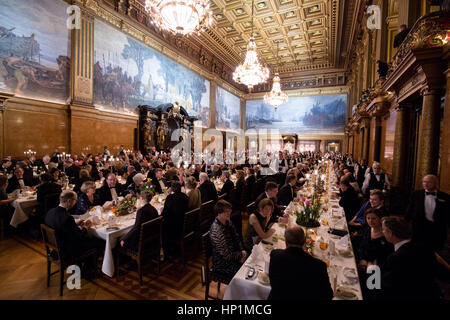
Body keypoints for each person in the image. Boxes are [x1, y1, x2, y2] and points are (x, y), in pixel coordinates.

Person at [378, 216, 441, 300]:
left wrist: (371, 269)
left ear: (390, 233)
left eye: (383, 230)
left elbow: (387, 285)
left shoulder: (396, 257)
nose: (382, 232)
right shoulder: (425, 248)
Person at [44, 191, 105, 273]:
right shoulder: (67, 217)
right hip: (67, 251)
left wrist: (75, 224)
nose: (76, 202)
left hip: (56, 248)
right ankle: (87, 270)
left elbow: (61, 226)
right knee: (98, 242)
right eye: (75, 200)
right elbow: (78, 236)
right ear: (69, 201)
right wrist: (86, 227)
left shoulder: (50, 212)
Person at [269, 226, 333, 300]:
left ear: (286, 242)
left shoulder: (275, 255)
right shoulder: (319, 266)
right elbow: (328, 295)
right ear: (304, 242)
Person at [406, 174, 450, 253]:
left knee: (434, 250)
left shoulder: (445, 197)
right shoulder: (416, 194)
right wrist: (406, 223)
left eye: (429, 182)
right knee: (417, 249)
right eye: (424, 182)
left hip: (437, 228)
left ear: (436, 183)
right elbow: (410, 209)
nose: (425, 184)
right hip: (419, 227)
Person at [357, 208, 393, 299]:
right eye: (368, 218)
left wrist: (370, 263)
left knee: (370, 293)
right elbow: (361, 247)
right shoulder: (368, 230)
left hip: (378, 268)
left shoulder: (386, 235)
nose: (370, 221)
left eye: (374, 218)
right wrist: (362, 259)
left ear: (380, 219)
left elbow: (387, 256)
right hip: (363, 262)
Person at [209, 200, 247, 278]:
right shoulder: (217, 230)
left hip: (233, 255)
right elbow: (226, 256)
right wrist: (241, 255)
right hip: (222, 264)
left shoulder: (227, 221)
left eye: (230, 210)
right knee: (246, 274)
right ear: (219, 213)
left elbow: (237, 238)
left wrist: (242, 251)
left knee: (250, 262)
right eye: (226, 211)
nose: (229, 213)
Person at [161, 181, 189, 260]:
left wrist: (162, 210)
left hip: (174, 226)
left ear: (172, 188)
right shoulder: (185, 196)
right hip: (182, 222)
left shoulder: (170, 197)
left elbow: (165, 213)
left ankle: (167, 252)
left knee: (161, 225)